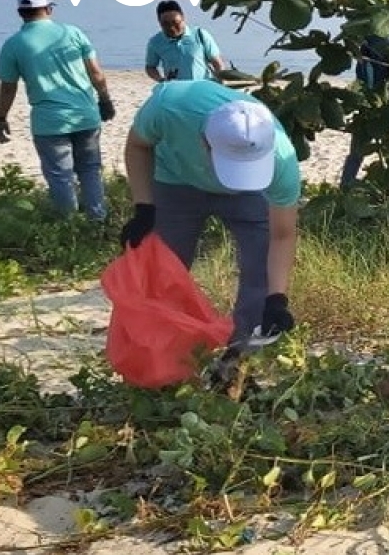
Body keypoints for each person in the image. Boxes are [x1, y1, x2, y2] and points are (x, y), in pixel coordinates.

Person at [120, 79, 301, 383]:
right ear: (204, 142)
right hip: (176, 181)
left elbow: (281, 235)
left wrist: (277, 298)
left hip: (250, 196)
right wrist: (144, 208)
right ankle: (163, 364)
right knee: (163, 271)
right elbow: (138, 146)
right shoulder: (169, 106)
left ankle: (240, 362)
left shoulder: (281, 159)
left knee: (261, 271)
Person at [0, 0, 115, 219]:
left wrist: (1, 117)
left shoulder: (13, 44)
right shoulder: (73, 33)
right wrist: (105, 100)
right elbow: (96, 73)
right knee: (90, 170)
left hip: (49, 122)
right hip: (85, 115)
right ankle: (98, 220)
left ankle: (69, 225)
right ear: (49, 9)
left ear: (20, 13)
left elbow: (8, 87)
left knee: (60, 176)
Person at [340, 35, 389, 188]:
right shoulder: (364, 51)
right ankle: (345, 186)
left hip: (384, 109)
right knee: (357, 152)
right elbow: (362, 80)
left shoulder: (381, 47)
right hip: (366, 108)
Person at [145, 0, 225, 82]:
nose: (172, 28)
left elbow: (217, 63)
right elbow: (150, 67)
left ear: (183, 17)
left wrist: (220, 82)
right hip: (175, 88)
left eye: (175, 22)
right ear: (159, 22)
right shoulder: (155, 42)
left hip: (203, 86)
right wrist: (161, 79)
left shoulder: (200, 35)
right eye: (166, 24)